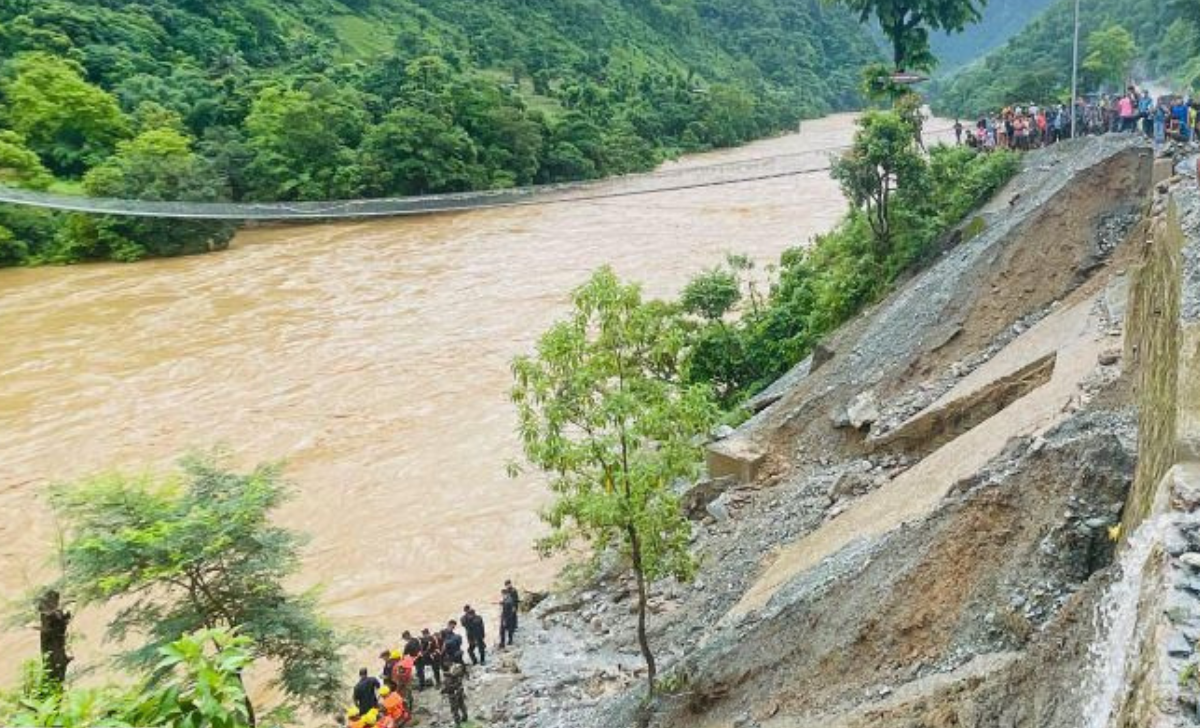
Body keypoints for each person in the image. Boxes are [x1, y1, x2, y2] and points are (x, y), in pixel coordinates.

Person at [441, 657, 469, 726]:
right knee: (461, 704)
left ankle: (458, 723)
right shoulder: (458, 667)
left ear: (448, 662)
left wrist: (444, 690)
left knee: (454, 709)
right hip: (460, 689)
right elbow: (461, 675)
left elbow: (449, 686)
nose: (444, 664)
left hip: (453, 693)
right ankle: (465, 717)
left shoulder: (449, 674)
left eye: (445, 663)